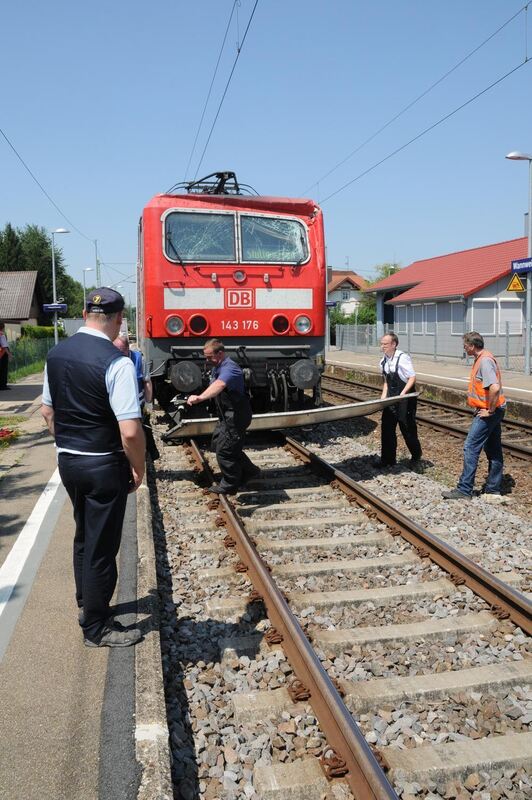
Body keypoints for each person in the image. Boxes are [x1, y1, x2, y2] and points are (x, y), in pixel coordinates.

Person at [41, 288, 146, 648]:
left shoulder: (55, 354)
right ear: (118, 319)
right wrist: (138, 468)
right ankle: (96, 627)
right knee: (102, 545)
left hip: (68, 461)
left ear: (85, 313)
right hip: (103, 464)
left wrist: (70, 440)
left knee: (84, 535)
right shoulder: (116, 362)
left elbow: (47, 412)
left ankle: (87, 602)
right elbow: (130, 430)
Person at [186, 338, 260, 495]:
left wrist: (199, 398)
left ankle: (230, 483)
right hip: (226, 416)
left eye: (209, 357)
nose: (207, 360)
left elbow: (219, 385)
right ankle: (250, 470)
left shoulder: (230, 368)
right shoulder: (218, 366)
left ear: (220, 353)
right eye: (205, 357)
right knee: (219, 443)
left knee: (225, 451)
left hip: (236, 415)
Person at [442, 332, 506, 501]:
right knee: (493, 449)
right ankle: (493, 489)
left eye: (465, 345)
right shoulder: (482, 358)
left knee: (471, 447)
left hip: (489, 412)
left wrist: (490, 411)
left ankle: (464, 490)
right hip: (494, 409)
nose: (464, 348)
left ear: (472, 346)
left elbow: (494, 388)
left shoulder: (484, 361)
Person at [378, 332, 422, 467]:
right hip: (391, 399)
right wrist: (382, 399)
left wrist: (403, 394)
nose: (382, 347)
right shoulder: (383, 361)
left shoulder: (403, 358)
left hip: (405, 398)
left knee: (406, 427)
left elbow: (412, 378)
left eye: (385, 344)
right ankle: (387, 460)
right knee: (387, 428)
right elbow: (386, 382)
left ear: (394, 344)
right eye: (381, 344)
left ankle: (416, 455)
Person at [113, 333, 159, 460]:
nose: (118, 353)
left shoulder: (139, 359)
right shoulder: (111, 358)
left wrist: (148, 403)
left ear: (127, 349)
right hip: (118, 403)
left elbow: (147, 381)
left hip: (136, 403)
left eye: (121, 351)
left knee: (141, 428)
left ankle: (149, 453)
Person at [0, 322, 12, 390]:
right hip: (2, 355)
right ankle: (3, 385)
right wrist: (9, 354)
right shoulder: (2, 334)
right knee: (3, 370)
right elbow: (4, 346)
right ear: (3, 327)